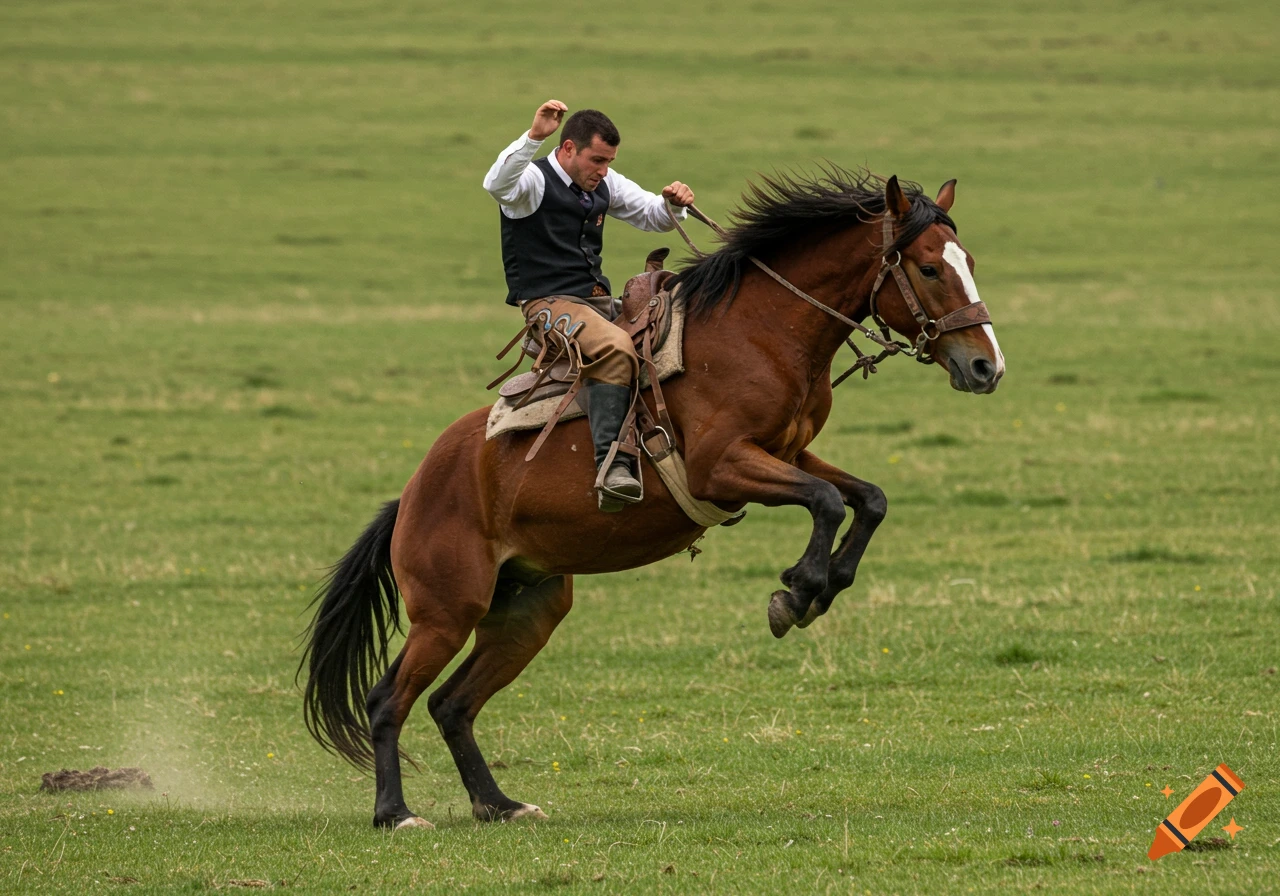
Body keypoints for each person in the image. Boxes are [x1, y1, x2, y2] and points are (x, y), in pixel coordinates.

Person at [483, 100, 695, 511]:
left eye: (609, 161)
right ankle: (611, 466)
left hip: (597, 304)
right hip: (547, 305)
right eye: (596, 159)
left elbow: (653, 215)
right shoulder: (531, 184)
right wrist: (533, 138)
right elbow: (497, 185)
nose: (603, 170)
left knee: (680, 323)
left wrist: (676, 203)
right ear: (566, 150)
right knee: (615, 348)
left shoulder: (604, 182)